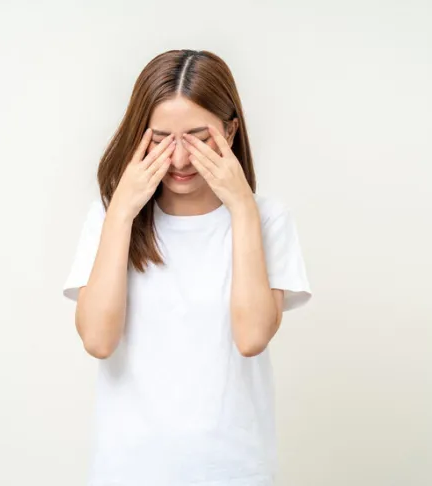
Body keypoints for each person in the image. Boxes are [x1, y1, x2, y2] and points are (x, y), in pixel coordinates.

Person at [63, 49, 312, 486]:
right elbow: (99, 341)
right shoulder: (108, 219)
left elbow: (252, 337)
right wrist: (122, 211)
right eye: (160, 139)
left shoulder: (267, 220)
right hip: (126, 471)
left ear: (231, 130)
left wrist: (242, 209)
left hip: (235, 471)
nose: (178, 160)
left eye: (198, 138)